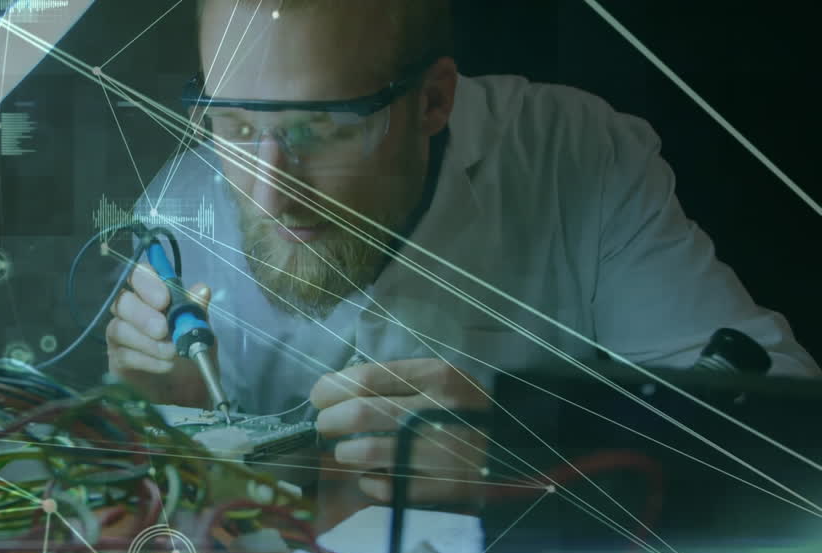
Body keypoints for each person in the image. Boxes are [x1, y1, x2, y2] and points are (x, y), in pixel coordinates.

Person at [104, 0, 818, 501]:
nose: (269, 194)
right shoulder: (175, 212)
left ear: (433, 101)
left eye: (316, 132)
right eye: (231, 127)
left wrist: (530, 449)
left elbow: (787, 424)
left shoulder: (569, 155)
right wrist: (160, 420)